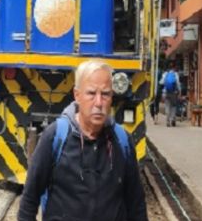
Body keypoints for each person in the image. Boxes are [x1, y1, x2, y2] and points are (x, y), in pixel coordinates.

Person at [18, 60, 147, 221]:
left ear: (112, 97)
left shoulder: (122, 141)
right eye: (91, 93)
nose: (99, 103)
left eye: (105, 94)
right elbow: (29, 199)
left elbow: (136, 204)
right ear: (77, 95)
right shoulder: (54, 137)